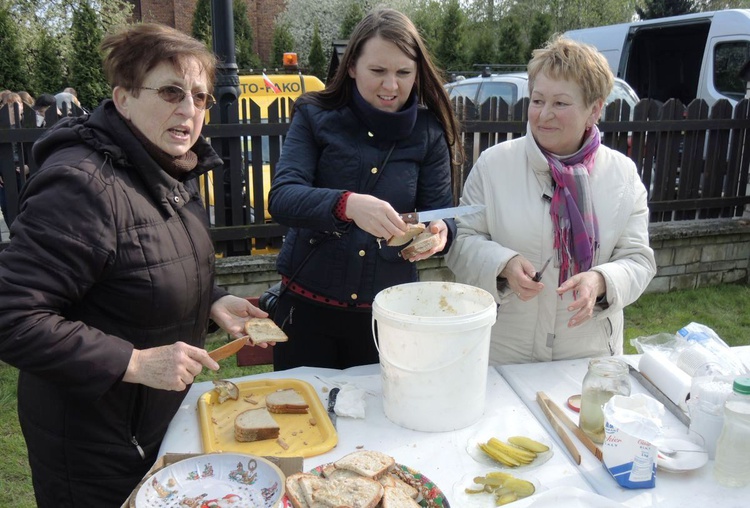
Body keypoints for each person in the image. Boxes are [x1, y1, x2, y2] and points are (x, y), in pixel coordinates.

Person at [0, 23, 268, 507]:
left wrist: (214, 302)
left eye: (201, 98)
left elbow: (142, 270)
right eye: (170, 92)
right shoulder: (82, 186)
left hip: (152, 428)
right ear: (123, 99)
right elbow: (13, 316)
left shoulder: (172, 169)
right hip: (91, 449)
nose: (188, 110)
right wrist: (135, 362)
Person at [267, 8, 463, 370]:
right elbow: (282, 198)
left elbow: (442, 212)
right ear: (352, 66)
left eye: (404, 73)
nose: (392, 86)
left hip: (388, 315)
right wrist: (348, 205)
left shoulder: (429, 131)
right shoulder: (314, 114)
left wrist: (440, 233)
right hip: (307, 311)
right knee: (303, 422)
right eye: (378, 71)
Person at [446, 36, 657, 365]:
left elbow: (638, 260)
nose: (544, 115)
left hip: (588, 357)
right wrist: (503, 265)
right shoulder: (493, 165)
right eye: (537, 100)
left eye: (560, 103)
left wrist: (602, 280)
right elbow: (460, 243)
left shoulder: (623, 176)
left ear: (594, 109)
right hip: (503, 354)